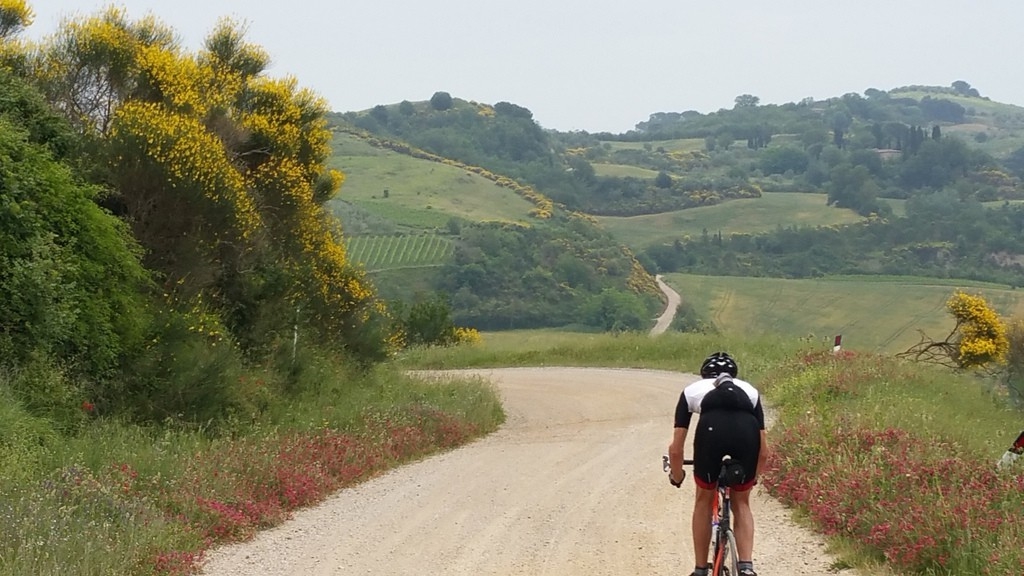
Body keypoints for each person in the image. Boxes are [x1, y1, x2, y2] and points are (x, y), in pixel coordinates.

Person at [667, 351, 768, 576]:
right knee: (742, 503)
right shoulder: (750, 391)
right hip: (746, 435)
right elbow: (764, 450)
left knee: (704, 499)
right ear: (735, 375)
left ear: (703, 375)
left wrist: (677, 476)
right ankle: (746, 567)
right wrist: (753, 477)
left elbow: (676, 448)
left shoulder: (692, 390)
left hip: (711, 432)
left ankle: (701, 569)